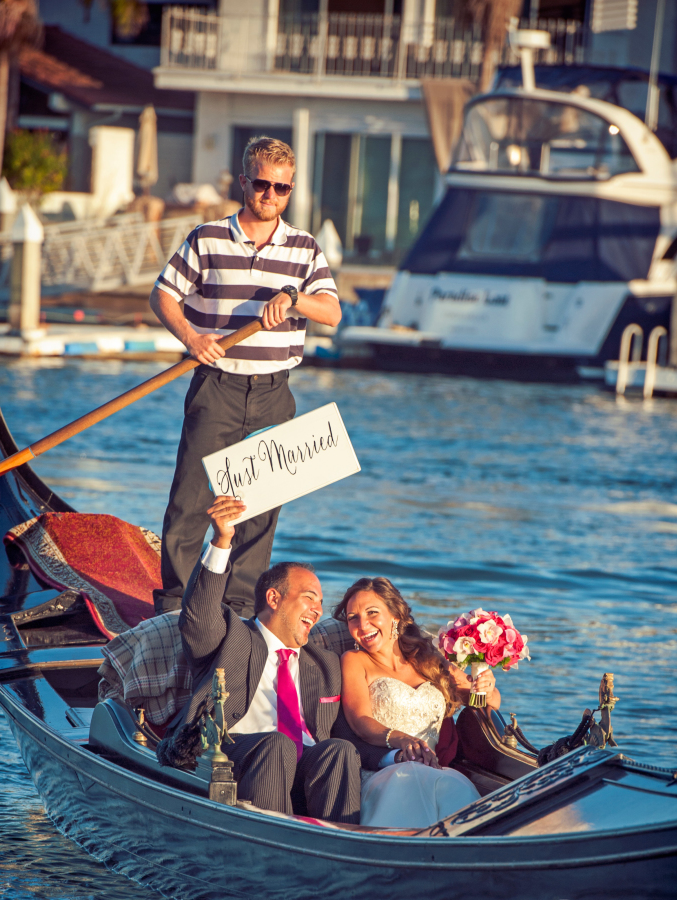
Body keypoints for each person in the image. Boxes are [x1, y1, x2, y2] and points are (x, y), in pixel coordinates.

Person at [150, 136, 342, 618]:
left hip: (275, 393)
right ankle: (174, 608)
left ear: (290, 189)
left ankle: (235, 611)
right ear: (244, 183)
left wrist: (294, 298)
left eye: (281, 188)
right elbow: (163, 296)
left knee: (257, 512)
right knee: (190, 503)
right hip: (217, 386)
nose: (270, 195)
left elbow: (333, 312)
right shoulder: (207, 238)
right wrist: (193, 339)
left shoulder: (304, 249)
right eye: (261, 184)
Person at [167, 496, 391, 821]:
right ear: (274, 598)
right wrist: (221, 540)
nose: (318, 610)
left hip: (305, 764)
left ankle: (338, 848)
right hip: (235, 755)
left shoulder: (324, 664)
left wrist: (395, 755)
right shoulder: (233, 636)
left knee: (339, 750)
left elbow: (345, 734)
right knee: (277, 746)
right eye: (309, 598)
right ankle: (270, 848)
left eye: (321, 602)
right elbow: (198, 614)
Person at [335, 577, 501, 829]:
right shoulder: (354, 660)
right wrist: (402, 739)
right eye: (352, 618)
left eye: (372, 613)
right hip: (385, 773)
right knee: (410, 777)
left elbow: (482, 701)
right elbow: (360, 722)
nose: (362, 624)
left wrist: (486, 687)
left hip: (435, 770)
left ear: (395, 616)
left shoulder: (429, 657)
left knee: (453, 786)